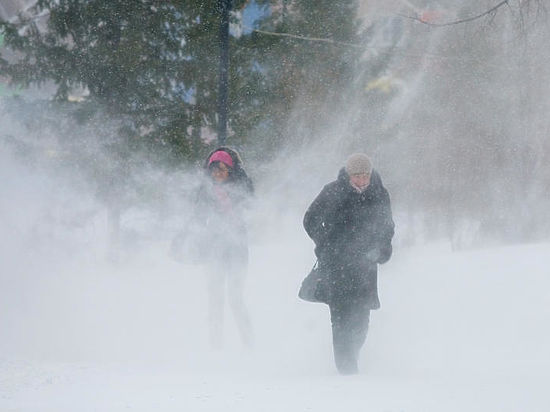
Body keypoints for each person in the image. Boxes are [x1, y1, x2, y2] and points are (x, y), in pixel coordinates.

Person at [303, 153, 395, 374]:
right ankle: (347, 372)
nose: (362, 180)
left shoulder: (379, 194)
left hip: (365, 266)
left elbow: (387, 226)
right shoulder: (332, 191)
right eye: (357, 176)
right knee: (341, 319)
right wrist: (325, 243)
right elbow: (310, 219)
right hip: (337, 266)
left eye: (365, 176)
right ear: (348, 175)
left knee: (361, 322)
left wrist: (381, 249)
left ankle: (352, 357)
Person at [188, 147, 254, 348]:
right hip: (214, 251)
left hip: (237, 251)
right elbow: (198, 218)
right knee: (215, 299)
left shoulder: (242, 187)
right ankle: (216, 345)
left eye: (222, 170)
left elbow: (252, 209)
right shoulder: (204, 191)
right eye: (214, 171)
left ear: (231, 170)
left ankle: (249, 343)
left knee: (235, 298)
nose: (217, 175)